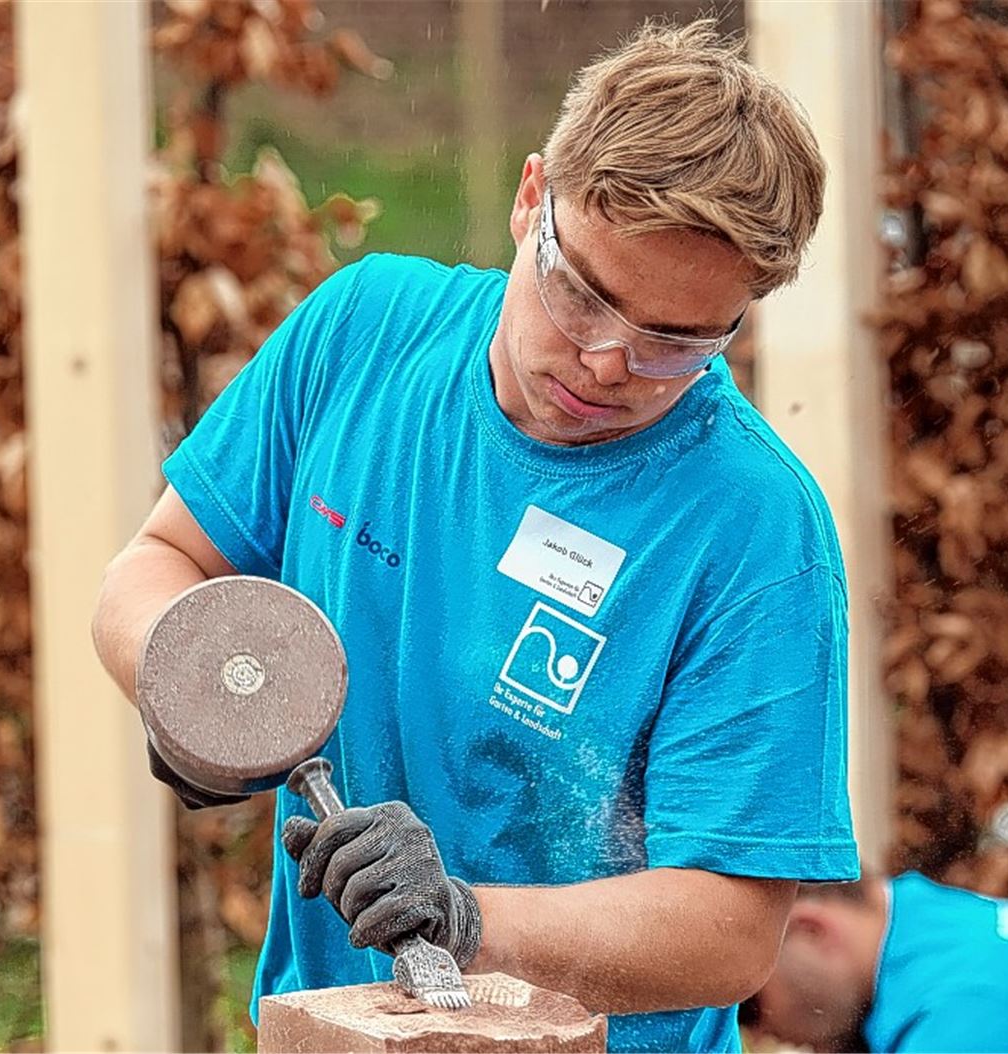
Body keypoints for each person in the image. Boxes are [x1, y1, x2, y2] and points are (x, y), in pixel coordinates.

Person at [92, 19, 859, 1053]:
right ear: (533, 195)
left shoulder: (755, 530)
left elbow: (729, 931)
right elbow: (158, 565)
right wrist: (186, 678)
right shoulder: (363, 332)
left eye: (674, 344)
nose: (604, 361)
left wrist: (468, 915)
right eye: (581, 291)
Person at [741, 871, 1008, 1053]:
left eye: (747, 1006)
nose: (754, 1037)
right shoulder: (944, 928)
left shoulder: (954, 1021)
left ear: (810, 930)